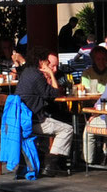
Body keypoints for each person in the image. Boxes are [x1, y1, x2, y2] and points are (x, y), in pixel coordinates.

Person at [17, 48, 74, 176]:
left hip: (23, 120)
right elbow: (54, 93)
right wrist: (51, 74)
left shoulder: (26, 72)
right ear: (41, 62)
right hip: (34, 121)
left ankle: (50, 163)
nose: (49, 66)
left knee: (60, 121)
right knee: (67, 129)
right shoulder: (37, 76)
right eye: (47, 63)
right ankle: (51, 164)